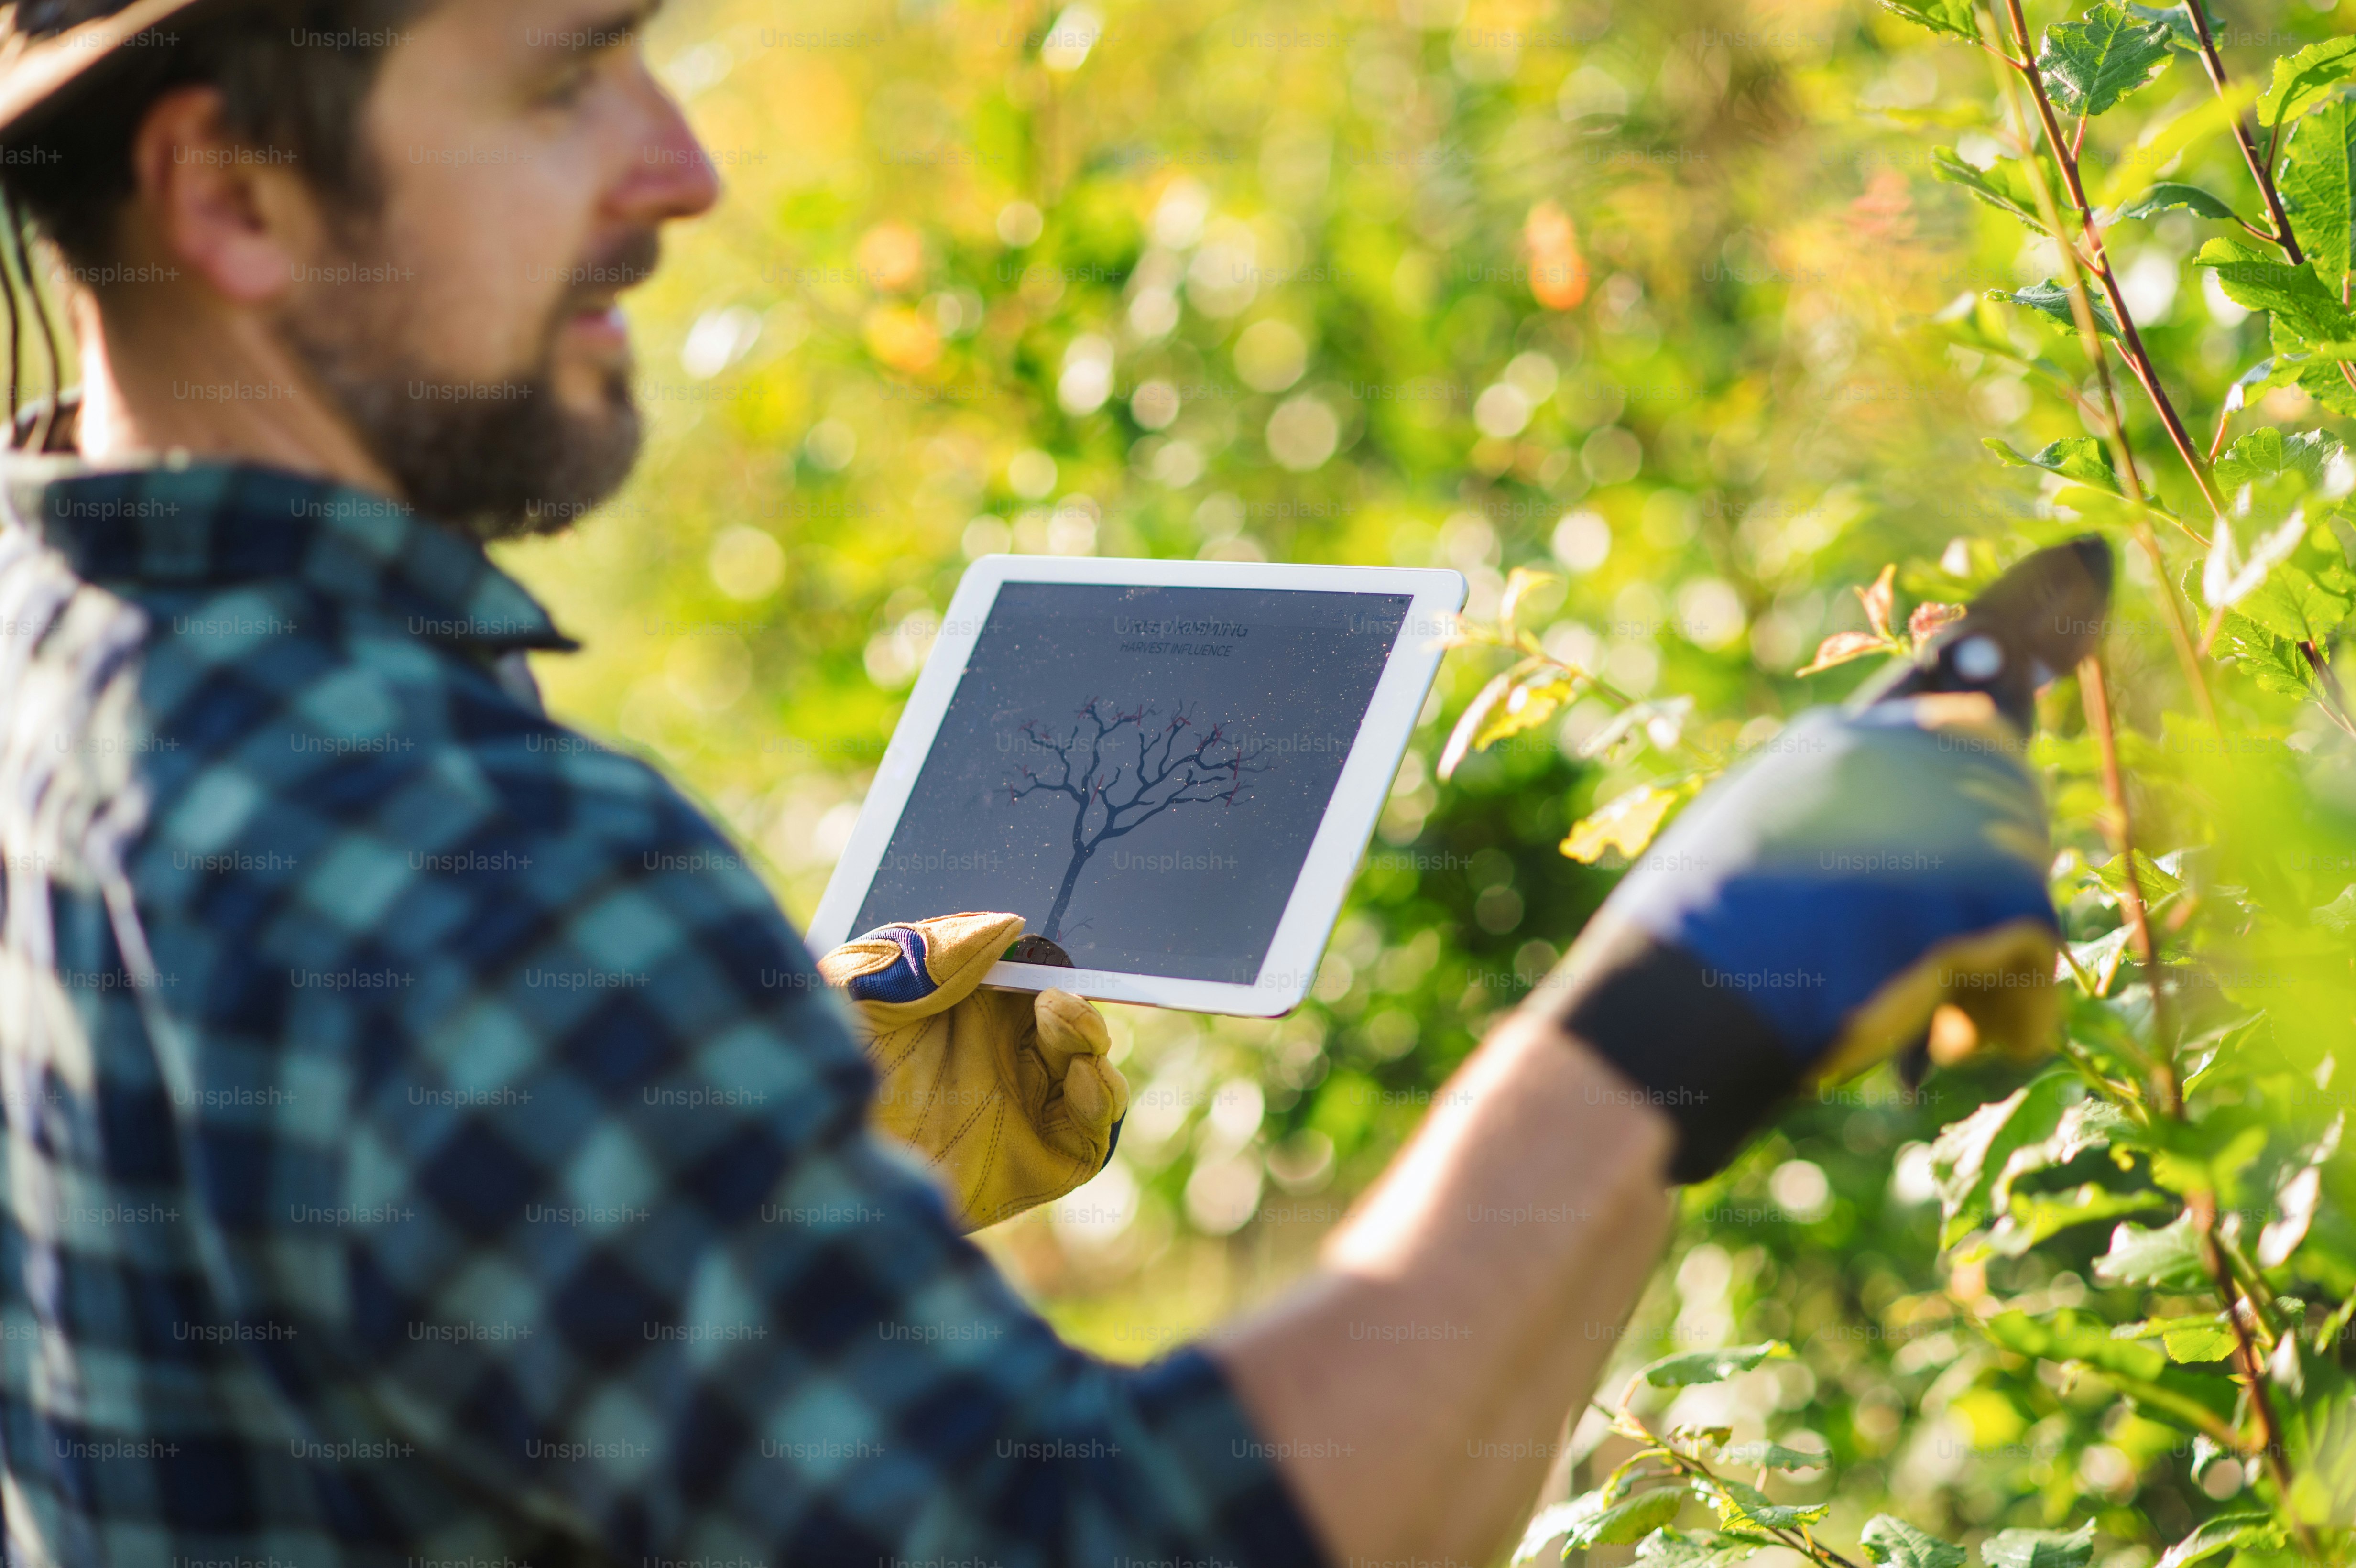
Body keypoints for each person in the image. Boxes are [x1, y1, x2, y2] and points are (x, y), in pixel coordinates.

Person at [0, 0, 2062, 1563]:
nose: (682, 165)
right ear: (231, 197)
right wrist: (1695, 986)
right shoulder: (454, 862)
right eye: (565, 80)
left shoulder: (60, 642)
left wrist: (692, 1171)